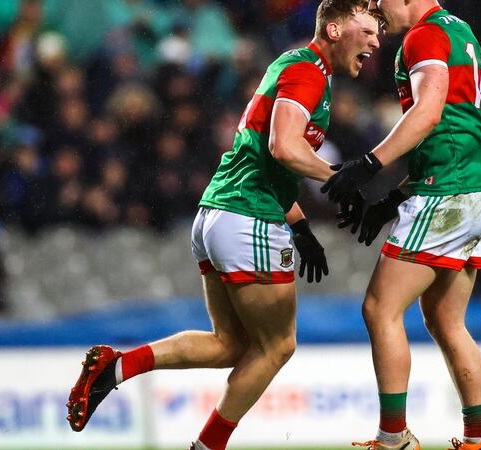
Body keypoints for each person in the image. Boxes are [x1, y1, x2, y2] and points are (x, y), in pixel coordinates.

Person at [66, 3, 380, 450]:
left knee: (230, 344)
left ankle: (115, 368)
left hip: (219, 214)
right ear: (334, 28)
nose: (374, 41)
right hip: (248, 218)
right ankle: (208, 446)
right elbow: (284, 147)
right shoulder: (308, 70)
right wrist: (341, 179)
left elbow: (269, 160)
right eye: (366, 30)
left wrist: (302, 226)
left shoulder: (301, 72)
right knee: (279, 346)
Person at [323, 1, 481, 449]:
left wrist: (369, 163)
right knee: (446, 320)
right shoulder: (460, 30)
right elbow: (455, 130)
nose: (377, 12)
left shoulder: (422, 36)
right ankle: (480, 438)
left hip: (449, 194)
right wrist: (395, 198)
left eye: (380, 3)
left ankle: (393, 439)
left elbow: (429, 113)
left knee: (379, 309)